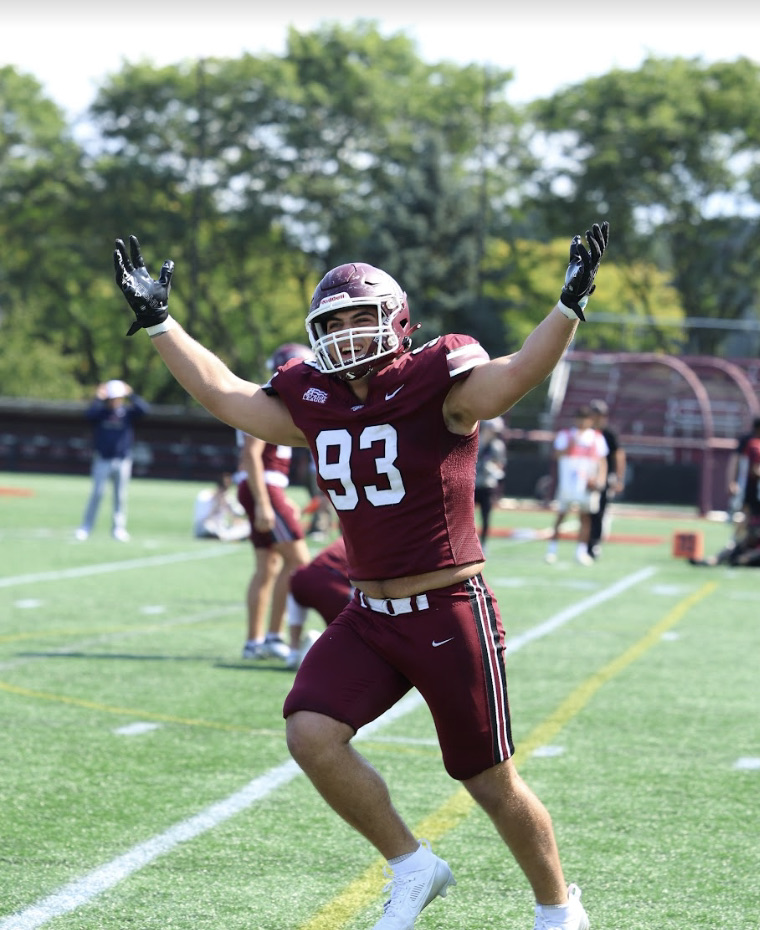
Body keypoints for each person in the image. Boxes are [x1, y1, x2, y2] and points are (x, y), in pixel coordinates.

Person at [113, 221, 608, 930]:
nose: (345, 332)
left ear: (397, 319)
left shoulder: (439, 380)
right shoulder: (314, 398)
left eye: (359, 317)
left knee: (486, 778)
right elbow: (225, 394)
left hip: (447, 609)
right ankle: (412, 865)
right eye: (333, 321)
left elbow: (512, 377)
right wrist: (160, 322)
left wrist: (566, 307)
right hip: (369, 616)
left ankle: (560, 909)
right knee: (310, 732)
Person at [237, 342, 314, 660]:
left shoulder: (277, 400)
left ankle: (257, 641)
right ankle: (274, 637)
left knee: (267, 567)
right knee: (300, 565)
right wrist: (267, 504)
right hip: (263, 488)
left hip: (266, 489)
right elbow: (251, 455)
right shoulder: (266, 400)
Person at [75, 379, 149, 541]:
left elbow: (144, 410)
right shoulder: (101, 413)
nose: (115, 401)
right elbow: (88, 415)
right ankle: (86, 526)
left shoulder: (127, 413)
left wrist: (132, 394)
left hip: (122, 461)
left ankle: (118, 529)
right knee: (97, 494)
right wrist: (97, 398)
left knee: (120, 497)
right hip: (103, 460)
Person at [545, 406, 608, 567]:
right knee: (561, 515)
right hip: (567, 483)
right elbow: (556, 454)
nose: (582, 422)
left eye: (585, 418)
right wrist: (570, 445)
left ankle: (580, 552)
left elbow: (602, 461)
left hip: (586, 484)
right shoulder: (566, 434)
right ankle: (552, 550)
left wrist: (600, 479)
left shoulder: (596, 437)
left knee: (585, 517)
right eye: (579, 418)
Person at [286, 535, 352, 670]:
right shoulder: (367, 543)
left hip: (301, 578)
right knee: (349, 642)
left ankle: (293, 651)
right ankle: (316, 646)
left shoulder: (345, 539)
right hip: (331, 586)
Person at [586, 399, 626, 559]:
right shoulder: (585, 432)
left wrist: (618, 477)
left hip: (602, 477)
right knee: (584, 511)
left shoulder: (608, 433)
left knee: (599, 510)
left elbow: (618, 455)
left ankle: (594, 543)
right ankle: (583, 543)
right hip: (586, 476)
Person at [474, 417, 508, 549]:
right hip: (472, 484)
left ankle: (484, 545)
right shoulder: (475, 441)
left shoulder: (497, 446)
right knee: (465, 518)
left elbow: (500, 465)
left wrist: (493, 468)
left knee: (486, 517)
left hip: (487, 484)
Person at [193, 472, 250, 541]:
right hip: (207, 527)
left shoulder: (227, 497)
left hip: (221, 528)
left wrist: (228, 506)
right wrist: (216, 503)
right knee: (209, 527)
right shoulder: (205, 496)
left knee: (247, 526)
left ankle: (226, 536)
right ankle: (226, 537)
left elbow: (239, 515)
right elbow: (203, 519)